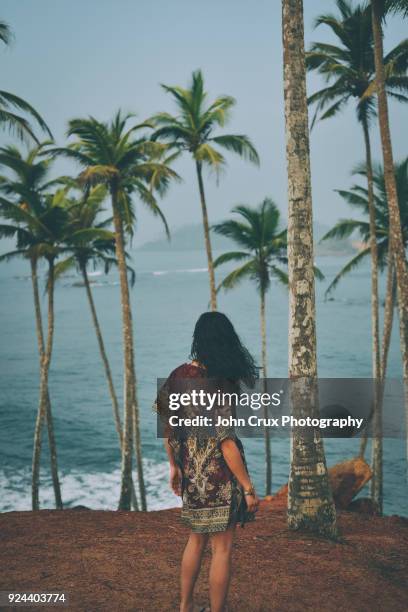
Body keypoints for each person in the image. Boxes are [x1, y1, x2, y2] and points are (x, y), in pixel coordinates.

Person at [154, 312, 260, 612]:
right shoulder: (220, 382)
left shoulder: (176, 375)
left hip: (191, 473)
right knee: (222, 548)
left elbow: (167, 425)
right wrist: (248, 487)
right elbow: (225, 442)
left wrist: (174, 467)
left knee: (196, 541)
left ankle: (185, 607)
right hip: (219, 478)